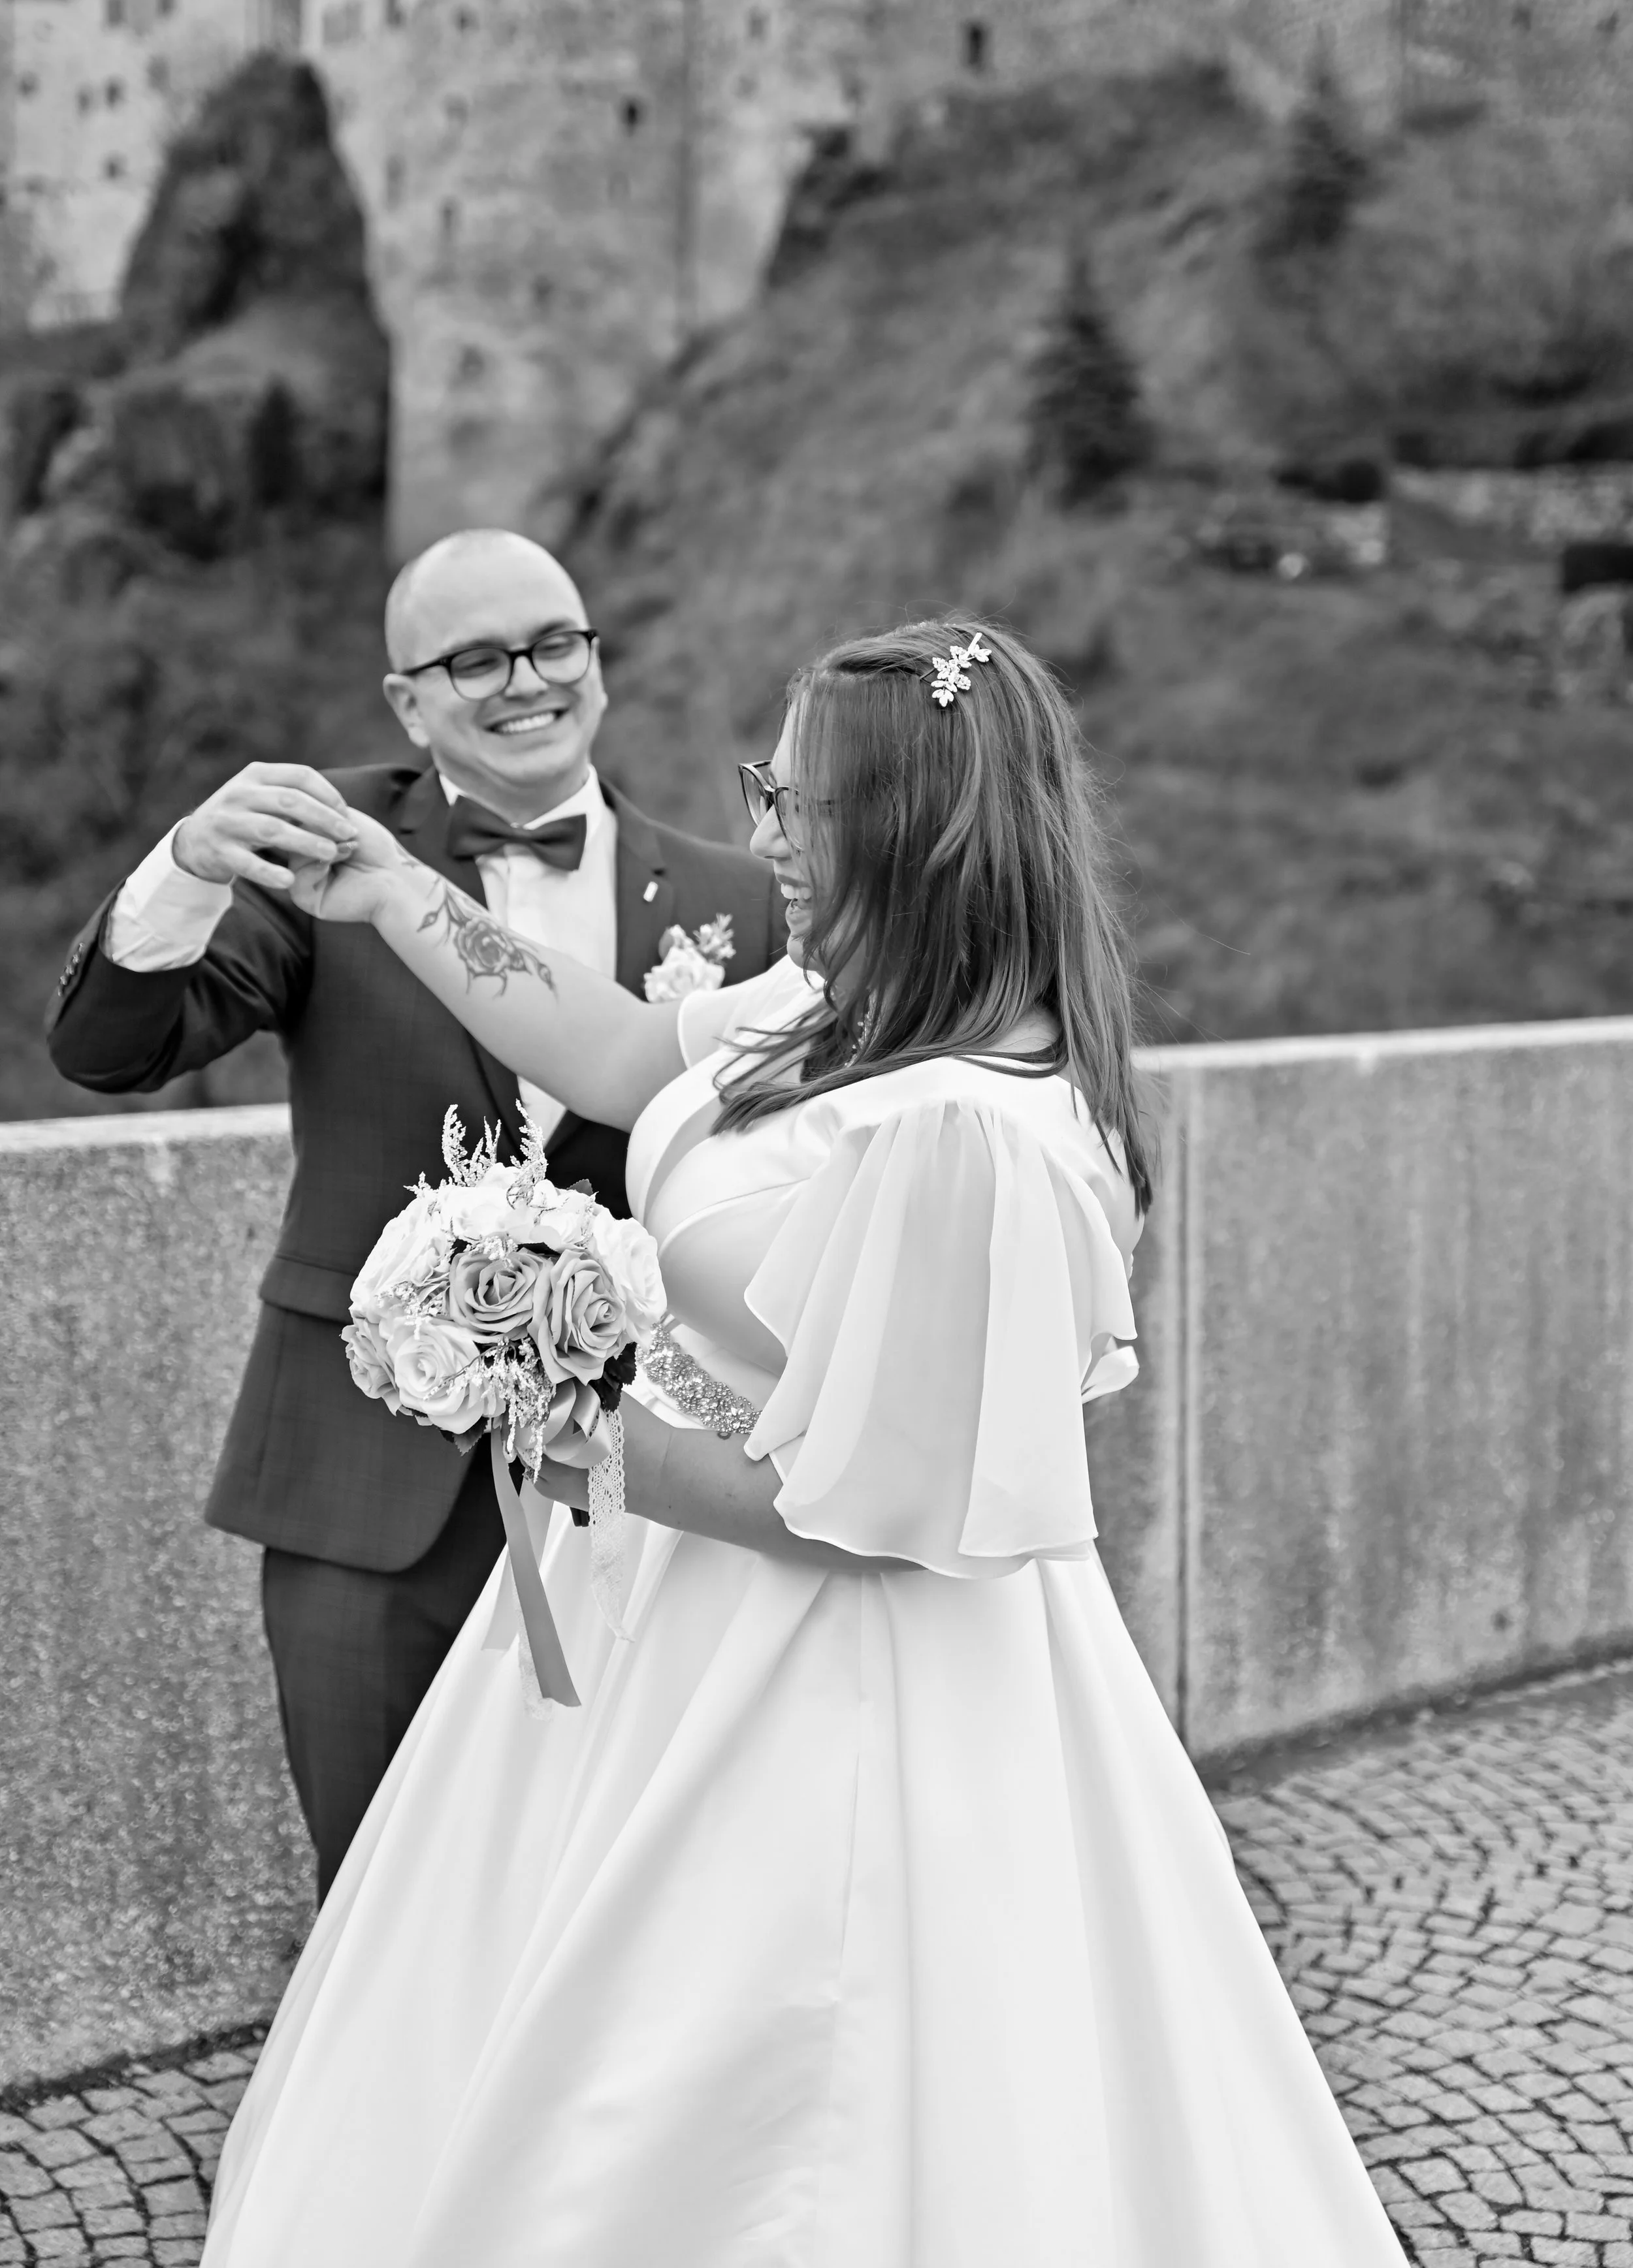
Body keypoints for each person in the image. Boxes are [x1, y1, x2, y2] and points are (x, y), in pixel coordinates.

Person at [202, 617, 1408, 2267]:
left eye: (789, 795)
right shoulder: (833, 1003)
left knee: (776, 2075)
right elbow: (627, 1053)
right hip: (654, 1616)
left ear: (903, 831)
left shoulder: (971, 1129)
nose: (759, 824)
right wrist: (395, 894)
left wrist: (560, 1417)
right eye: (761, 785)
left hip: (829, 1672)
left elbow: (866, 1511)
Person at [46, 528, 783, 1902]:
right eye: (474, 660)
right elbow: (109, 1049)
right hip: (360, 1481)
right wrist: (188, 870)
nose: (524, 682)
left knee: (622, 1904)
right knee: (381, 1895)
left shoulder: (740, 899)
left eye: (553, 643)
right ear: (407, 701)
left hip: (648, 1491)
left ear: (597, 660)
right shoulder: (323, 856)